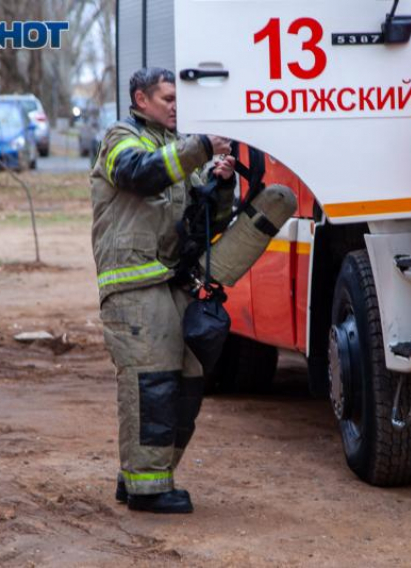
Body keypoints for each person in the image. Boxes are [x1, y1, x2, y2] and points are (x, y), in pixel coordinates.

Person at [90, 68, 296, 514]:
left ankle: (142, 477)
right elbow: (138, 175)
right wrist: (201, 147)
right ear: (141, 99)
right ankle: (147, 490)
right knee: (152, 380)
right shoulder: (120, 139)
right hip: (132, 284)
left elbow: (206, 226)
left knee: (184, 381)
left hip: (173, 280)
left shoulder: (176, 149)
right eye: (167, 98)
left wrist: (219, 184)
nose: (176, 106)